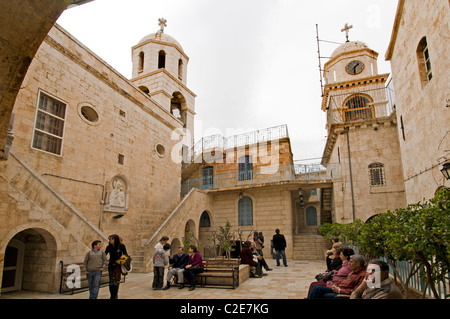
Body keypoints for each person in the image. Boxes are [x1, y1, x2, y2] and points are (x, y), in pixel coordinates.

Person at [105, 234, 128, 299]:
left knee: (116, 282)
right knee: (111, 282)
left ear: (115, 239)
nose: (110, 240)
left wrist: (122, 260)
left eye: (111, 239)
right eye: (109, 239)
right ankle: (112, 296)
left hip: (118, 266)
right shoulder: (109, 247)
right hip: (111, 266)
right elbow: (104, 255)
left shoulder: (121, 246)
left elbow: (126, 255)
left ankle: (115, 296)